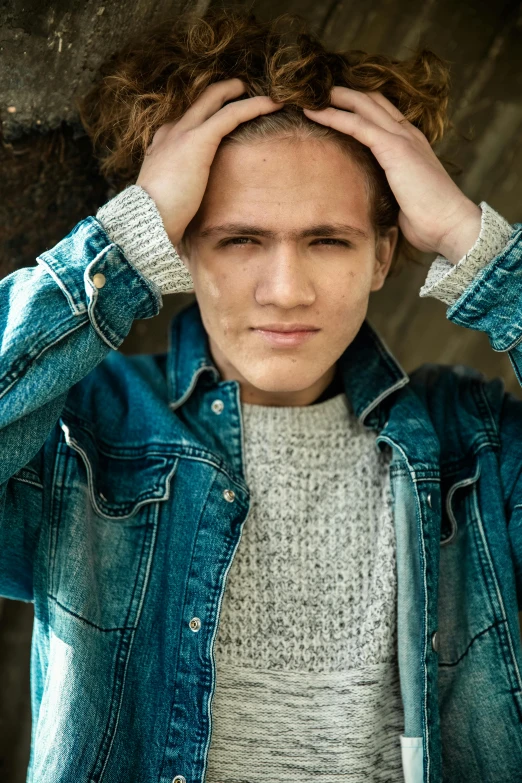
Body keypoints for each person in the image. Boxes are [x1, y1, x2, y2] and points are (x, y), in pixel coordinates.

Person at [1, 8, 521, 783]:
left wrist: (471, 243)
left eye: (328, 240)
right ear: (175, 247)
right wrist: (119, 245)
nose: (285, 291)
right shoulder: (87, 436)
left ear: (383, 254)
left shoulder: (475, 452)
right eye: (241, 239)